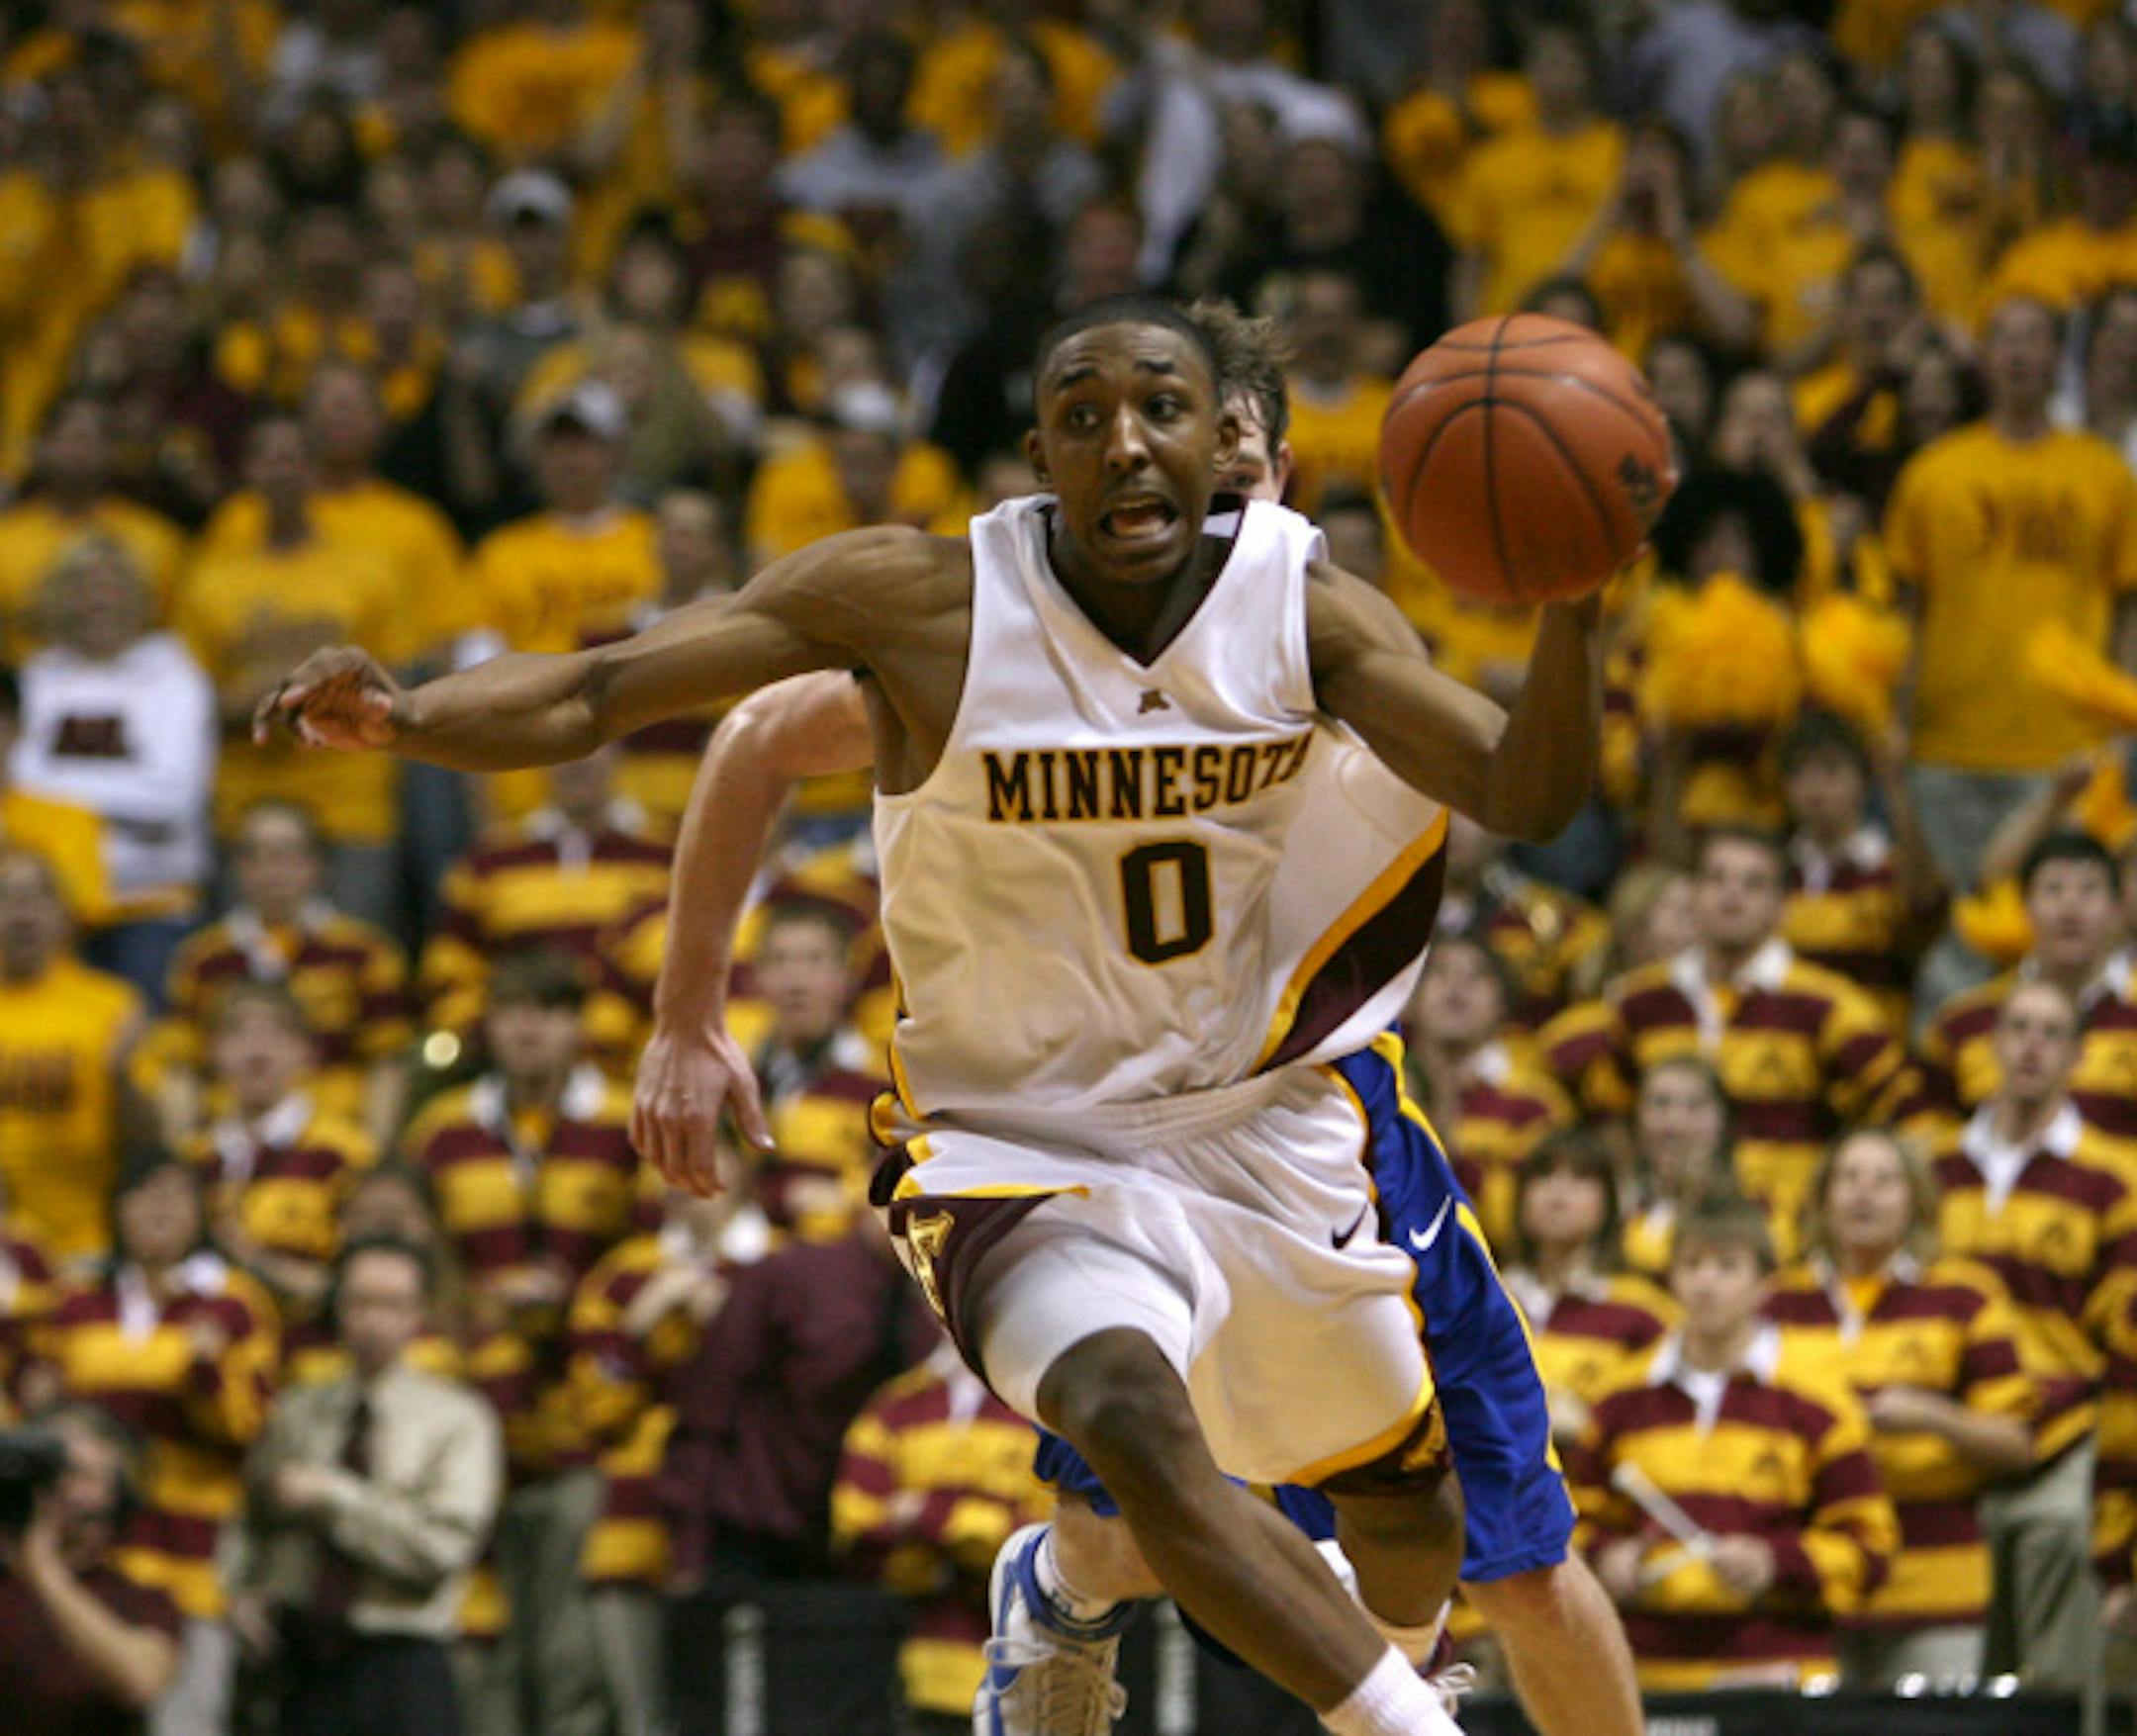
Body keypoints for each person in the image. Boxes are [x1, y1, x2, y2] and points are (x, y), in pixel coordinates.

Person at [260, 294, 1622, 1735]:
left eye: (1165, 409)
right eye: (1083, 418)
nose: (1129, 443)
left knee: (1413, 1511)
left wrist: (1577, 597)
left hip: (1263, 1121)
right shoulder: (923, 605)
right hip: (1012, 1139)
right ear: (1038, 454)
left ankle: (1074, 1593)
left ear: (1235, 449)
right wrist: (414, 722)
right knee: (1132, 1418)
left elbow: (1526, 792)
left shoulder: (1307, 611)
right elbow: (612, 688)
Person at [1569, 1198, 1901, 1691]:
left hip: (1780, 1674)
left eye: (1727, 1267)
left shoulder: (1817, 1401)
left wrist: (1775, 1562)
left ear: (1765, 1284)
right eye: (1691, 1265)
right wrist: (1604, 1557)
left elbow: (1868, 1547)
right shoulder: (1621, 1398)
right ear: (1671, 1279)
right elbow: (1568, 1525)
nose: (1705, 1283)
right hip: (1644, 1677)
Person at [1541, 826, 1912, 1245]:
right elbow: (1591, 1090)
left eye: (1753, 884)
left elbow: (1902, 1105)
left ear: (1781, 905)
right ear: (1693, 892)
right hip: (1654, 1232)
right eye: (1716, 879)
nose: (1731, 896)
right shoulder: (1640, 1000)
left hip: (1787, 1235)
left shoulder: (1828, 1004)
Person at [1884, 295, 2137, 897]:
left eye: (2035, 338)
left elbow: (2131, 614)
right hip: (1945, 746)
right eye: (2004, 337)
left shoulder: (2105, 474)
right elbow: (1906, 617)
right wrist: (1897, 722)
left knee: (2056, 921)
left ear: (2060, 358)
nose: (2019, 353)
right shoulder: (1932, 473)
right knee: (1944, 927)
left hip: (2066, 751)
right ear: (1983, 357)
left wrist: (2125, 730)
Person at [1923, 978, 2137, 1690]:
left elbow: (2122, 1331)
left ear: (2078, 1055)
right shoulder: (1932, 1167)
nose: (2032, 1047)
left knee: (2056, 1679)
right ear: (1991, 1045)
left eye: (2051, 1033)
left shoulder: (2115, 1177)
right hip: (1946, 1433)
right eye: (2017, 1028)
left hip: (2062, 1436)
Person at [1763, 1128, 2034, 1687]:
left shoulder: (1966, 1296)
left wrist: (1932, 1417)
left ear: (1916, 1199)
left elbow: (2017, 1445)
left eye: (1885, 1180)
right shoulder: (1772, 1302)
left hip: (1938, 1585)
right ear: (1820, 1197)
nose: (1864, 1194)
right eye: (1849, 1178)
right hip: (1809, 1589)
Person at [29, 1151, 278, 1736]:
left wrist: (206, 1372)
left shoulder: (235, 1302)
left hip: (190, 1563)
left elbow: (252, 1428)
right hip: (86, 1561)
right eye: (144, 1194)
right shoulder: (75, 1299)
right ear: (117, 1210)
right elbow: (38, 1404)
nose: (159, 1209)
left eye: (176, 1195)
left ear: (202, 1212)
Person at [227, 1234, 502, 1736]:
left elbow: (440, 1550)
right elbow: (251, 1515)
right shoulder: (298, 1411)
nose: (374, 1320)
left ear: (419, 1313)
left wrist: (334, 1496)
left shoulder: (458, 1420)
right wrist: (241, 1593)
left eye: (393, 1304)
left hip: (404, 1657)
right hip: (301, 1660)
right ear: (338, 1308)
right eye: (360, 1302)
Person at [175, 416, 402, 926]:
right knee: (243, 975)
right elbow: (190, 707)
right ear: (248, 471)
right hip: (242, 807)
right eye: (267, 458)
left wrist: (267, 697)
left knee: (349, 966)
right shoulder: (209, 578)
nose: (281, 471)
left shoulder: (367, 570)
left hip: (352, 804)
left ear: (314, 469)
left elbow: (397, 690)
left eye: (293, 458)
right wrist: (298, 696)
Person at [12, 535, 216, 1002]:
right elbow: (14, 779)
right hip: (51, 914)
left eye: (114, 585)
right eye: (82, 586)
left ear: (141, 595)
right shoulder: (37, 677)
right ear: (59, 597)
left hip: (151, 904)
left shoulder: (176, 674)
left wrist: (50, 791)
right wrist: (123, 791)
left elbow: (172, 799)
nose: (99, 599)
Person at [832, 1325, 1054, 1735]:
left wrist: (924, 1515)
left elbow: (1043, 1542)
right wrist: (973, 1530)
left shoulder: (1041, 1409)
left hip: (1029, 1673)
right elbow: (855, 1523)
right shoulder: (900, 1404)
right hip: (913, 1669)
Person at [159, 800, 413, 1143]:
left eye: (287, 853)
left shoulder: (366, 953)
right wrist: (187, 1148)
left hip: (336, 1134)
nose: (272, 869)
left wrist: (372, 1151)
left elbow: (387, 1062)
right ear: (237, 867)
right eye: (256, 855)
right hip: (225, 1135)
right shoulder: (202, 959)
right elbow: (180, 1066)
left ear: (317, 864)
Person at [1913, 831, 2137, 1159]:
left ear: (2117, 908)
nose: (2070, 906)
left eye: (2089, 890)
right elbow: (1926, 1134)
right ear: (2024, 906)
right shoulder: (1963, 1022)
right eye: (2053, 889)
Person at [180, 984, 378, 1318]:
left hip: (314, 1354)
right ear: (212, 1052)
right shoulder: (190, 1159)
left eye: (276, 1033)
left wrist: (255, 1261)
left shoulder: (348, 1152)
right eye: (237, 1033)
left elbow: (360, 1284)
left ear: (306, 1052)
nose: (256, 1051)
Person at [0, 848, 146, 1266]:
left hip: (87, 1244)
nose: (20, 912)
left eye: (36, 897)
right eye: (6, 896)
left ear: (65, 914)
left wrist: (122, 1077)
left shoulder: (112, 1005)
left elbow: (150, 1143)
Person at [0, 1405, 181, 1736]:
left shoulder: (140, 1599)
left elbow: (140, 1682)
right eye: (50, 1471)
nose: (61, 1487)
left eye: (80, 1473)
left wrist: (43, 1570)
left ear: (118, 1494)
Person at [1499, 1133, 1677, 1453]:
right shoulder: (1487, 1298)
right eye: (1543, 1176)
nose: (1558, 1194)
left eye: (1580, 1178)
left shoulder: (1643, 1312)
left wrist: (1590, 1426)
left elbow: (1667, 1422)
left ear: (1609, 1201)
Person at [1401, 934, 1575, 1254]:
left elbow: (1531, 1222)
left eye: (1477, 975)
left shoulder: (1534, 1103)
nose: (1457, 987)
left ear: (1503, 1005)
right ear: (1409, 999)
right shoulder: (1381, 1087)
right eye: (1440, 972)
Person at [1617, 1055, 1736, 1283]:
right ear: (1636, 1117)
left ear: (1724, 1121)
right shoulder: (1609, 1204)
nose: (1676, 1124)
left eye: (1696, 1106)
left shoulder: (1753, 1207)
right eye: (1660, 1104)